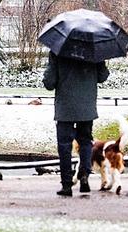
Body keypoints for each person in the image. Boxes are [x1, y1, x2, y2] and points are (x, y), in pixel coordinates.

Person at [43, 52, 110, 196]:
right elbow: (102, 76)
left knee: (64, 145)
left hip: (65, 107)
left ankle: (66, 184)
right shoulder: (93, 50)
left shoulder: (58, 51)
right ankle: (84, 175)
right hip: (86, 106)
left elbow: (49, 82)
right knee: (86, 141)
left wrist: (49, 74)